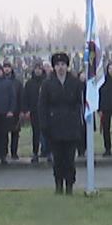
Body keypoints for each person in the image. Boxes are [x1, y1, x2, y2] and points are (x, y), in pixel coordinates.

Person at [40, 51, 84, 194]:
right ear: (54, 67)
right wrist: (45, 126)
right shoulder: (47, 84)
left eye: (63, 64)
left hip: (71, 128)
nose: (60, 67)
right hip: (55, 128)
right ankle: (58, 185)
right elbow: (42, 106)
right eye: (57, 65)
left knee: (69, 160)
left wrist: (79, 123)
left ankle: (69, 185)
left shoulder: (75, 82)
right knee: (57, 160)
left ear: (67, 66)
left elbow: (80, 104)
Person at [20, 62, 48, 163]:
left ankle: (48, 152)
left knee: (47, 133)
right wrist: (26, 110)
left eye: (39, 69)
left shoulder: (47, 82)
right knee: (35, 134)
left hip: (46, 112)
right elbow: (25, 97)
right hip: (34, 112)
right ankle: (35, 153)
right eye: (36, 69)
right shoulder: (29, 83)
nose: (37, 71)